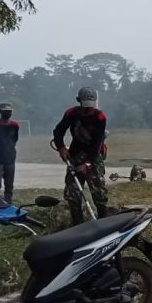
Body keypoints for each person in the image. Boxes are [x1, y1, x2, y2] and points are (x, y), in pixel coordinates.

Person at [52, 87, 109, 223]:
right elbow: (58, 131)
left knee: (98, 191)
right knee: (72, 193)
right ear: (78, 100)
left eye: (91, 105)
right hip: (75, 155)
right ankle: (77, 223)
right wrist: (61, 148)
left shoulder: (100, 117)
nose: (89, 109)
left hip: (93, 156)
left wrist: (87, 163)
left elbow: (96, 143)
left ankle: (104, 221)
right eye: (86, 105)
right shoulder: (71, 113)